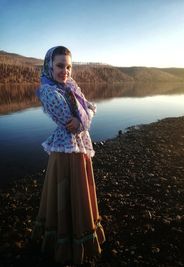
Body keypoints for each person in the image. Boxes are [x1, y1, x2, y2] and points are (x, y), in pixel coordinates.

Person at [31, 46, 106, 266]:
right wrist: (85, 117)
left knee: (80, 190)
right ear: (49, 66)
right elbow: (72, 124)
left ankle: (81, 230)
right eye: (60, 66)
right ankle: (64, 240)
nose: (65, 71)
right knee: (64, 190)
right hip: (65, 151)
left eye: (69, 66)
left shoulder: (70, 87)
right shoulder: (49, 92)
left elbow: (90, 109)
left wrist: (84, 117)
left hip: (79, 148)